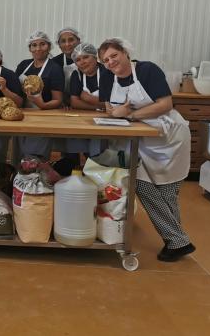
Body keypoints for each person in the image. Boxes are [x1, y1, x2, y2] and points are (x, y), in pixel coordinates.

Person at [98, 37, 195, 262]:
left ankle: (177, 242)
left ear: (125, 53)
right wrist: (116, 114)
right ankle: (178, 240)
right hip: (140, 141)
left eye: (114, 56)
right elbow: (109, 109)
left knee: (168, 194)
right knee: (141, 184)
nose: (111, 62)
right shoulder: (107, 78)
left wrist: (129, 114)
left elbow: (165, 105)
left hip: (168, 139)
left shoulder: (147, 70)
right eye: (105, 60)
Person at [14, 31, 64, 160]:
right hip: (22, 115)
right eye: (34, 45)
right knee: (18, 155)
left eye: (42, 44)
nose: (38, 48)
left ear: (49, 46)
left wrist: (41, 104)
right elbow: (15, 89)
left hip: (43, 116)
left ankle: (35, 179)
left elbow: (58, 100)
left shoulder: (55, 68)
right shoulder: (23, 65)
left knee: (34, 158)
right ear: (30, 48)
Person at [66, 42, 107, 158]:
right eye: (78, 60)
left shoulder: (107, 72)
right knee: (73, 138)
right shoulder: (76, 75)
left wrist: (87, 98)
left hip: (104, 120)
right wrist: (100, 106)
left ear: (95, 57)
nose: (82, 62)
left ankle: (96, 165)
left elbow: (113, 103)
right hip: (84, 118)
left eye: (86, 57)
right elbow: (74, 102)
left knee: (98, 144)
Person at [52, 27, 81, 106]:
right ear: (59, 45)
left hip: (84, 103)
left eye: (71, 40)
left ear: (78, 41)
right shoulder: (54, 62)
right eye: (63, 41)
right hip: (62, 105)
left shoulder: (88, 59)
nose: (67, 44)